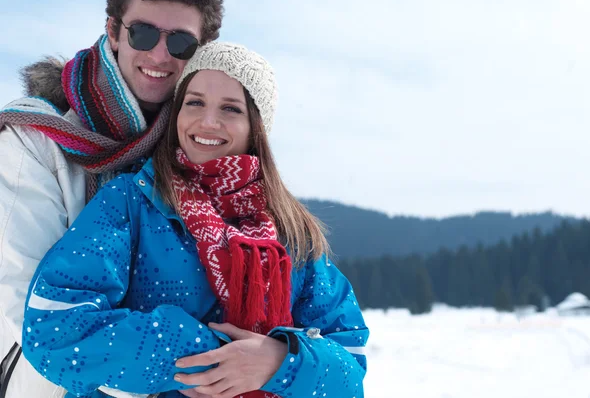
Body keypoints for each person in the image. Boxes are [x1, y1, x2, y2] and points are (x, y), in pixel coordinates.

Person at [21, 42, 369, 398]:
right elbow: (53, 329)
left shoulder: (290, 231)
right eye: (194, 102)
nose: (207, 121)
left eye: (231, 109)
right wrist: (206, 357)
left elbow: (350, 372)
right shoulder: (132, 201)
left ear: (256, 127)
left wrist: (279, 362)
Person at [0, 0, 224, 398]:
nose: (160, 55)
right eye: (143, 33)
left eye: (180, 42)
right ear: (114, 31)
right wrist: (190, 371)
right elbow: (22, 307)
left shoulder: (201, 148)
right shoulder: (35, 141)